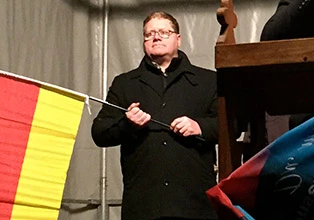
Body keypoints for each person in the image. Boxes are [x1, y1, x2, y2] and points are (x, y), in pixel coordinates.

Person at [91, 11, 218, 220]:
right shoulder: (125, 84)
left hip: (196, 205)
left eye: (163, 32)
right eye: (149, 34)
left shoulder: (208, 81)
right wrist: (127, 124)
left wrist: (200, 127)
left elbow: (233, 125)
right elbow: (99, 133)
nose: (156, 37)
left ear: (178, 39)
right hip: (143, 206)